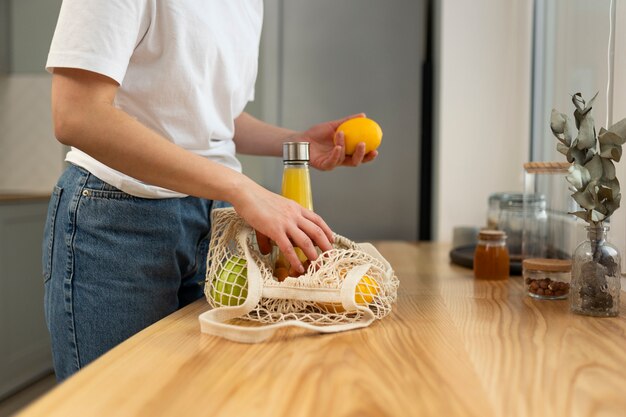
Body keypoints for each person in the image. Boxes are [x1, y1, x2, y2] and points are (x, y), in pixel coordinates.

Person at [43, 0, 377, 381]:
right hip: (119, 222)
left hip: (213, 224)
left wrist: (296, 141)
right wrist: (243, 189)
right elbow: (78, 115)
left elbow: (210, 115)